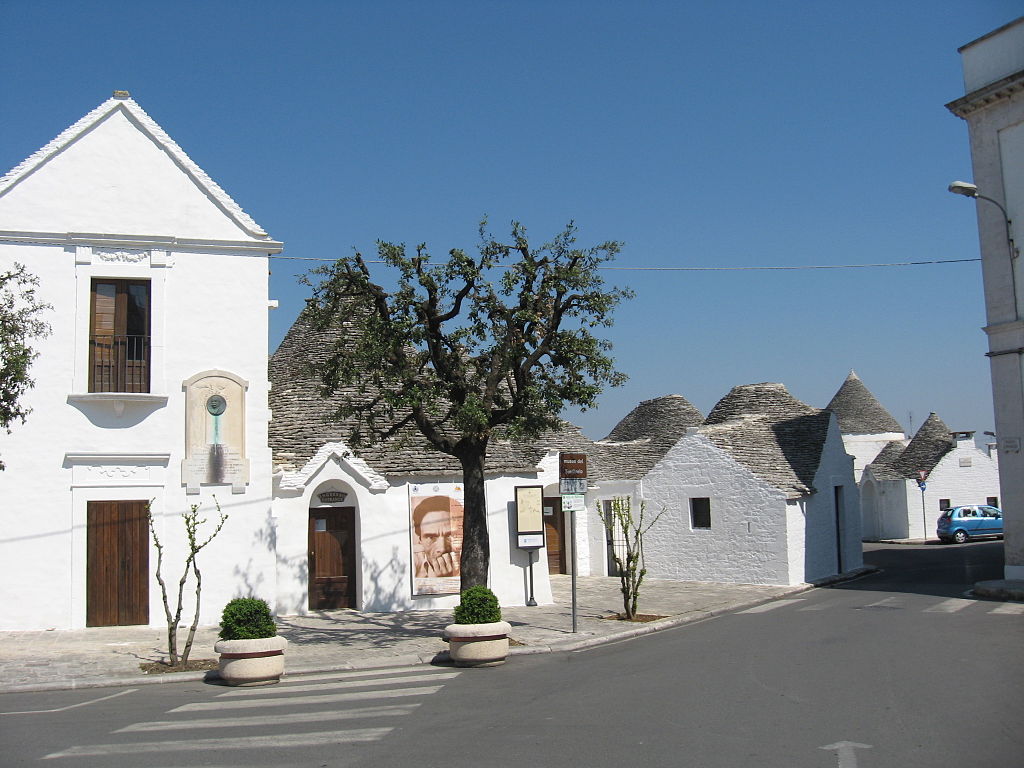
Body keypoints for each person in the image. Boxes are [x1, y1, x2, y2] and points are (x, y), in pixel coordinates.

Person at [413, 500, 460, 578]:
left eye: (450, 535)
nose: (442, 549)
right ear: (420, 540)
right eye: (431, 537)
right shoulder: (411, 561)